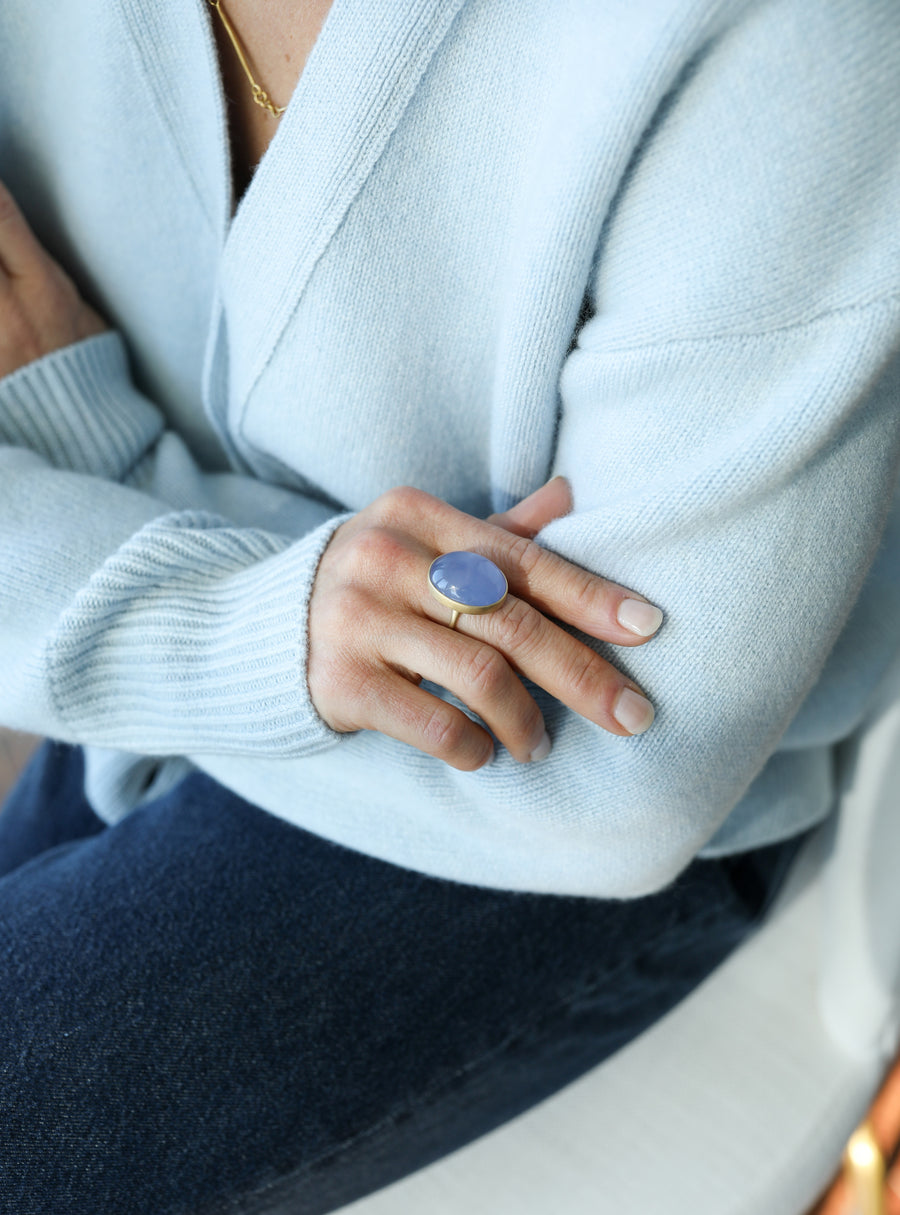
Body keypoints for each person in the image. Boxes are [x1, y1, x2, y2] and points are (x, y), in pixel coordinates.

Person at [0, 0, 897, 1211]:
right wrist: (248, 627)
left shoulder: (798, 36)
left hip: (514, 819)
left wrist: (100, 474)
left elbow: (625, 772)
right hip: (150, 664)